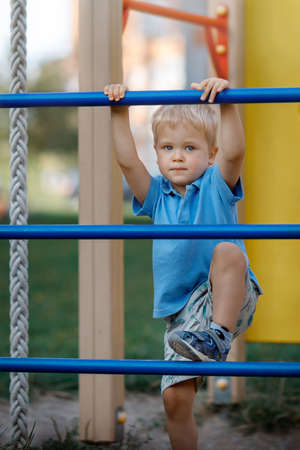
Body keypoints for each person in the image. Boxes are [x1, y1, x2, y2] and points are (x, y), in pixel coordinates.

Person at [104, 77, 262, 450]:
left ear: (210, 155)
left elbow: (236, 153)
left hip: (226, 297)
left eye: (190, 147)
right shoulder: (157, 196)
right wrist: (118, 111)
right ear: (157, 153)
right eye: (168, 148)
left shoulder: (216, 185)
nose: (177, 156)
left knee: (227, 251)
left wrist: (226, 103)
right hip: (182, 318)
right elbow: (127, 162)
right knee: (174, 402)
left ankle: (218, 337)